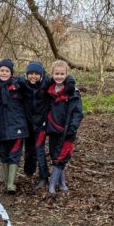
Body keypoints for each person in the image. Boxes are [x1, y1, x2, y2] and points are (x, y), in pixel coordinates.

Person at [44, 60, 83, 195]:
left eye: (62, 74)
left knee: (62, 157)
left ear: (67, 74)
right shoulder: (49, 90)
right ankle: (62, 183)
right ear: (52, 74)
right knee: (56, 156)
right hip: (53, 129)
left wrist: (73, 128)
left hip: (67, 131)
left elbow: (78, 112)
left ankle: (52, 186)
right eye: (56, 74)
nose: (59, 76)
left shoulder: (73, 92)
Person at [0, 59, 28, 193]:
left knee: (14, 153)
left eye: (7, 71)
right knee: (4, 153)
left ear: (11, 73)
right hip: (3, 127)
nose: (4, 73)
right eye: (2, 70)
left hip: (18, 126)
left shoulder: (19, 86)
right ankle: (7, 183)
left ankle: (11, 184)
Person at [19, 61, 50, 189]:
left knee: (39, 149)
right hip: (28, 122)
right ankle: (29, 171)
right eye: (31, 73)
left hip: (41, 123)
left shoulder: (47, 83)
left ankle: (44, 177)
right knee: (29, 147)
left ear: (41, 75)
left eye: (36, 74)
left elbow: (64, 81)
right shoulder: (22, 83)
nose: (33, 76)